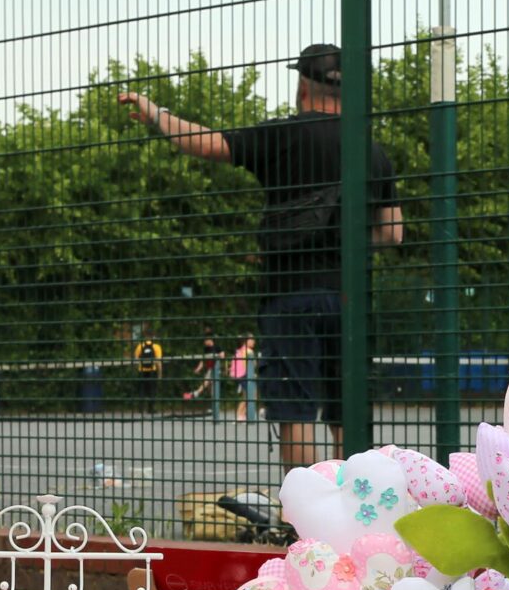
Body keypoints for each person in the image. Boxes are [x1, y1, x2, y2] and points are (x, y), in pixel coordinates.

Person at [120, 45, 401, 469]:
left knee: (295, 413)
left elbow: (205, 143)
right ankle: (352, 507)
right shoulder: (372, 151)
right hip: (350, 300)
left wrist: (157, 114)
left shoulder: (283, 135)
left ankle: (305, 509)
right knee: (348, 414)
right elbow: (393, 233)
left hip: (290, 296)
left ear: (303, 86)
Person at [183, 335, 221, 417]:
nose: (204, 342)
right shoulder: (206, 349)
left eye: (205, 340)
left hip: (215, 368)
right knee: (211, 389)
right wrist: (198, 369)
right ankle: (214, 407)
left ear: (209, 340)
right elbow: (203, 360)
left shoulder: (217, 347)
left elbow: (222, 355)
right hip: (209, 368)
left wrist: (218, 357)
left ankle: (196, 393)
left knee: (207, 382)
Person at [232, 334, 257, 423]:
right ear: (246, 341)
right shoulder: (249, 351)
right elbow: (253, 364)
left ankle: (242, 415)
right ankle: (240, 415)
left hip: (240, 376)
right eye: (252, 339)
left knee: (248, 396)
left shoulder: (240, 350)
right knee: (250, 396)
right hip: (245, 376)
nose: (254, 342)